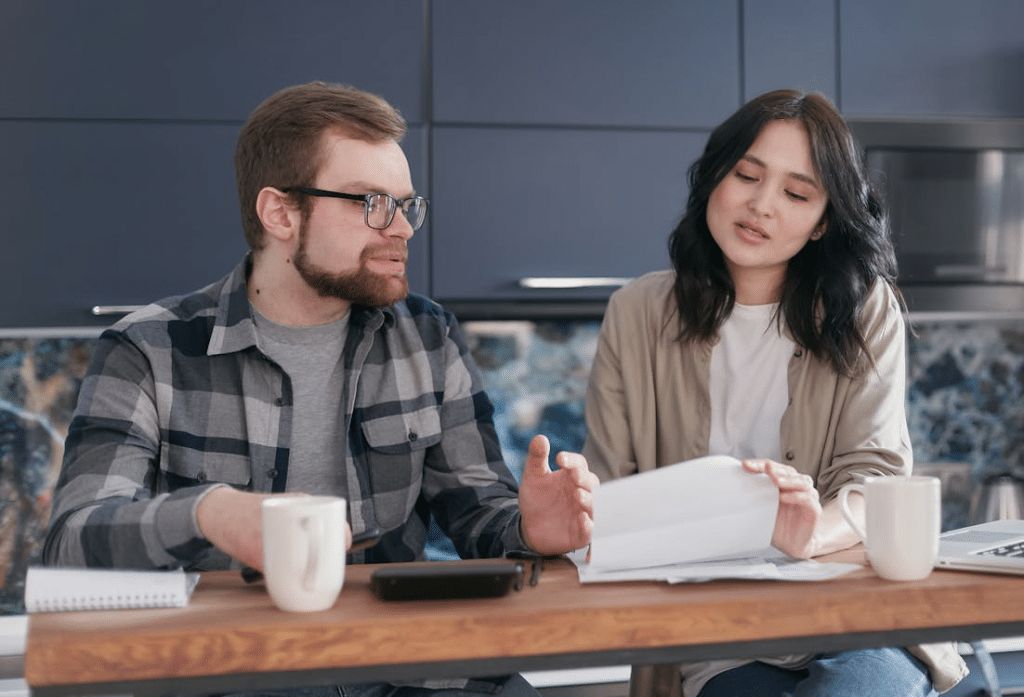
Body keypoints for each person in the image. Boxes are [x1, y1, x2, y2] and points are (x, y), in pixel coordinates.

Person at [43, 81, 598, 697]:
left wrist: (528, 529)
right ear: (280, 213)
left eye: (407, 206)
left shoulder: (426, 334)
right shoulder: (146, 350)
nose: (402, 230)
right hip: (233, 668)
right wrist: (211, 513)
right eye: (371, 203)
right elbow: (73, 542)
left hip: (404, 664)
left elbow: (477, 514)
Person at [581, 90, 968, 697]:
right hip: (715, 635)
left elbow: (876, 478)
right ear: (715, 177)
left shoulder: (865, 311)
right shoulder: (636, 312)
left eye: (796, 193)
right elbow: (610, 493)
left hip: (852, 615)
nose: (761, 205)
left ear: (822, 223)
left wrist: (810, 535)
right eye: (747, 175)